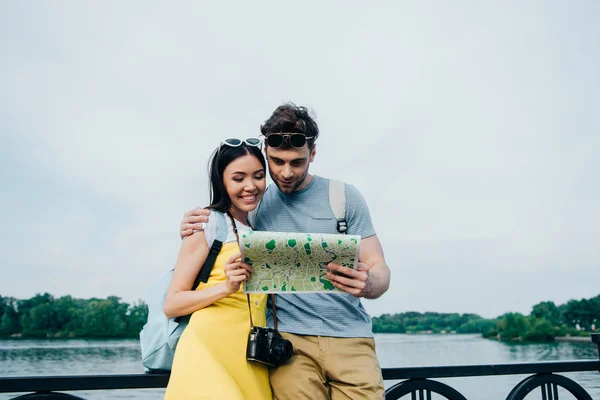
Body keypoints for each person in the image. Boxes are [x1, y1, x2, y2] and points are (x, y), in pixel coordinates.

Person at [180, 103, 391, 400]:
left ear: (312, 155)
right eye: (277, 162)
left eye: (298, 162)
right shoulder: (254, 204)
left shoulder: (344, 197)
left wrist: (370, 283)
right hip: (288, 344)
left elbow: (379, 266)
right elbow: (221, 224)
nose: (287, 172)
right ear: (266, 153)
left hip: (351, 339)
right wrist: (194, 223)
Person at [164, 138, 272, 400]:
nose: (250, 186)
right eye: (238, 178)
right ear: (221, 182)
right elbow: (172, 304)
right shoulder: (208, 223)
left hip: (251, 358)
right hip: (207, 353)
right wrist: (226, 287)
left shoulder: (260, 229)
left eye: (258, 176)